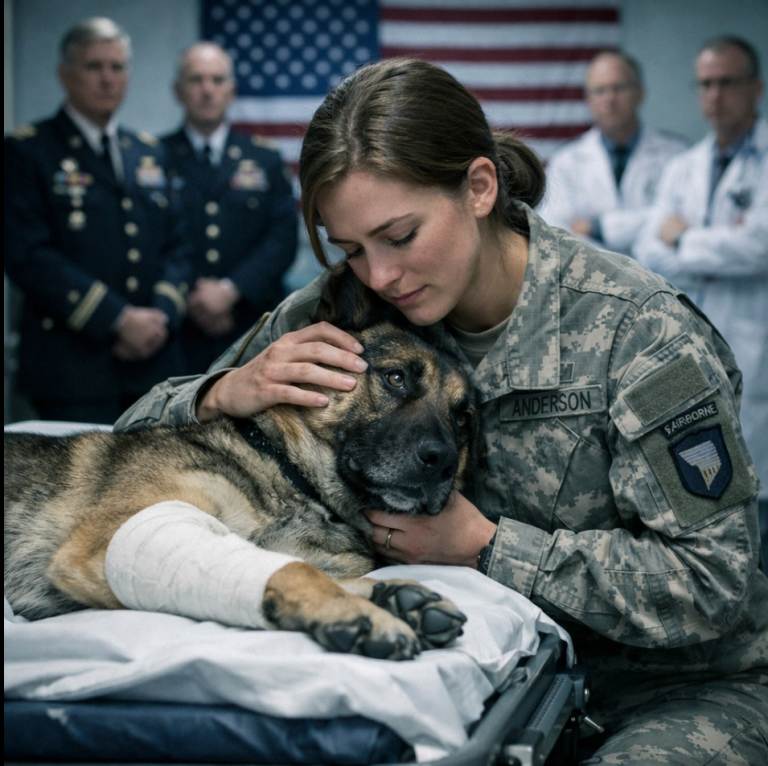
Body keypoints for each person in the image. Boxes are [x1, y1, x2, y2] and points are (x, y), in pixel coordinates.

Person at [115, 58, 767, 764]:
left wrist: (485, 546)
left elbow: (713, 579)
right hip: (475, 676)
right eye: (352, 248)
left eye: (400, 236)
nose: (380, 275)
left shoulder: (637, 332)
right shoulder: (349, 307)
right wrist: (225, 391)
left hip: (672, 693)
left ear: (479, 188)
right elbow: (126, 448)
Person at [3, 17, 191, 424]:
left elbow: (178, 244)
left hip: (154, 367)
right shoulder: (29, 151)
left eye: (117, 67)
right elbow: (26, 253)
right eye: (94, 67)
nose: (108, 79)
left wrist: (160, 314)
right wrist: (117, 319)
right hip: (71, 369)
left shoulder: (148, 152)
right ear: (65, 75)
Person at [633, 35, 767, 571]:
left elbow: (760, 245)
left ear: (755, 88)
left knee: (757, 495)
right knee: (708, 488)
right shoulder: (683, 167)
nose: (714, 95)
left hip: (757, 340)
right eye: (706, 84)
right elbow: (646, 249)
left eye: (727, 82)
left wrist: (684, 238)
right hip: (697, 342)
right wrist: (718, 239)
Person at [162, 41, 298, 374]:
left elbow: (282, 239)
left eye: (217, 80)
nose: (207, 90)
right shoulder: (154, 157)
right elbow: (153, 240)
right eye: (196, 80)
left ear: (231, 90)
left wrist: (229, 291)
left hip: (252, 326)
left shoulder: (263, 158)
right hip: (179, 328)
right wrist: (197, 299)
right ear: (178, 91)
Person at [538, 50, 688, 254]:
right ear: (588, 99)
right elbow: (558, 236)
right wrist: (649, 222)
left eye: (618, 88)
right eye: (599, 90)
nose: (609, 98)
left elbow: (679, 226)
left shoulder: (678, 155)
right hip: (592, 282)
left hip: (663, 279)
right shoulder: (566, 161)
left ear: (640, 93)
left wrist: (596, 227)